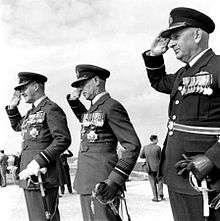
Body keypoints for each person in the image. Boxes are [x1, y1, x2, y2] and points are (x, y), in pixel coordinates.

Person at [142, 7, 220, 221]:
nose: (172, 43)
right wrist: (154, 55)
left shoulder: (218, 67)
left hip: (208, 180)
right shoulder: (182, 74)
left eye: (176, 37)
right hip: (178, 177)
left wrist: (212, 159)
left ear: (196, 35)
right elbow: (158, 82)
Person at [67, 64, 141, 221]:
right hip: (87, 180)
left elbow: (132, 146)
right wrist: (73, 101)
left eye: (83, 84)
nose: (81, 89)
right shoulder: (94, 109)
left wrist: (114, 180)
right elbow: (86, 120)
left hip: (103, 183)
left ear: (96, 80)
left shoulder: (111, 106)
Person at [6, 72, 71, 221]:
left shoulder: (51, 108)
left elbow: (63, 139)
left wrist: (38, 161)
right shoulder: (31, 112)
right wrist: (12, 108)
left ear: (36, 87)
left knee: (45, 218)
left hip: (43, 175)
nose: (21, 92)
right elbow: (18, 126)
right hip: (29, 175)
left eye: (24, 87)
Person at [140, 135, 164, 202]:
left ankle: (155, 197)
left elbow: (141, 156)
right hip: (158, 168)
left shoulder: (145, 147)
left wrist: (148, 157)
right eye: (157, 139)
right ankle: (160, 196)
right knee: (160, 181)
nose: (158, 140)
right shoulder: (158, 148)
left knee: (152, 183)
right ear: (154, 139)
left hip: (149, 167)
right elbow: (161, 158)